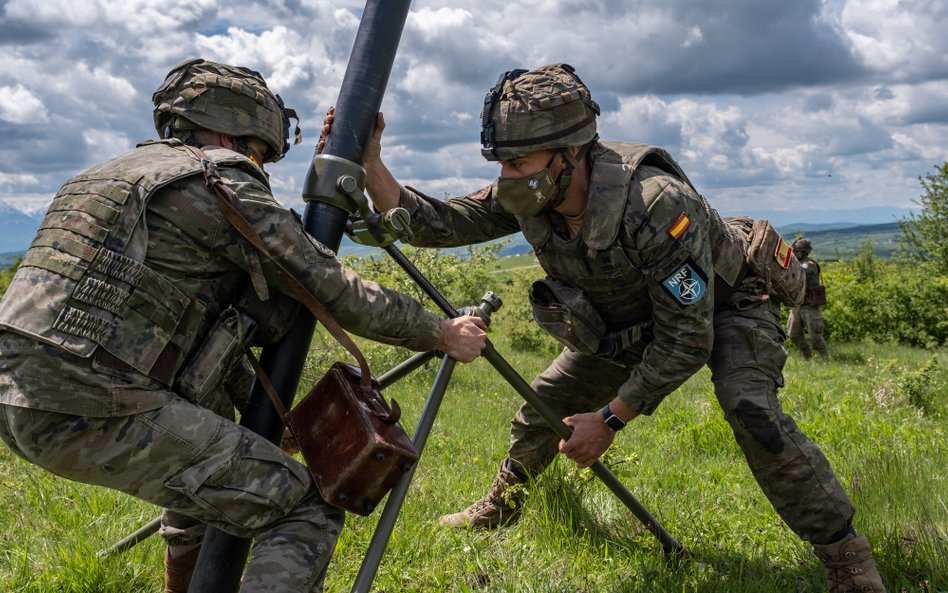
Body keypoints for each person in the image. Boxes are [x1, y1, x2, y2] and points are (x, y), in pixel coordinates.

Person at [323, 63, 886, 592]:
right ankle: (505, 500)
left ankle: (847, 559)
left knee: (751, 411)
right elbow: (437, 222)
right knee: (544, 406)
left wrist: (612, 418)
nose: (505, 178)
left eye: (519, 163)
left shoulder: (656, 205)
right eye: (501, 164)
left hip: (727, 305)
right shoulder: (530, 191)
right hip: (633, 315)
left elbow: (688, 337)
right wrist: (371, 162)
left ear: (570, 153)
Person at [0, 58, 488, 593]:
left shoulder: (102, 176)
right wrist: (439, 332)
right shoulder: (215, 181)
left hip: (16, 396)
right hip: (92, 401)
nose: (260, 167)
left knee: (208, 486)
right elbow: (332, 287)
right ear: (237, 136)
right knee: (303, 507)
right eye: (260, 154)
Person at [788, 237, 829, 360]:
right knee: (793, 334)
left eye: (796, 252)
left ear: (801, 252)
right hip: (797, 305)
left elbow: (802, 270)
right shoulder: (798, 263)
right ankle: (807, 357)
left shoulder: (809, 264)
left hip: (809, 306)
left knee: (814, 336)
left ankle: (825, 359)